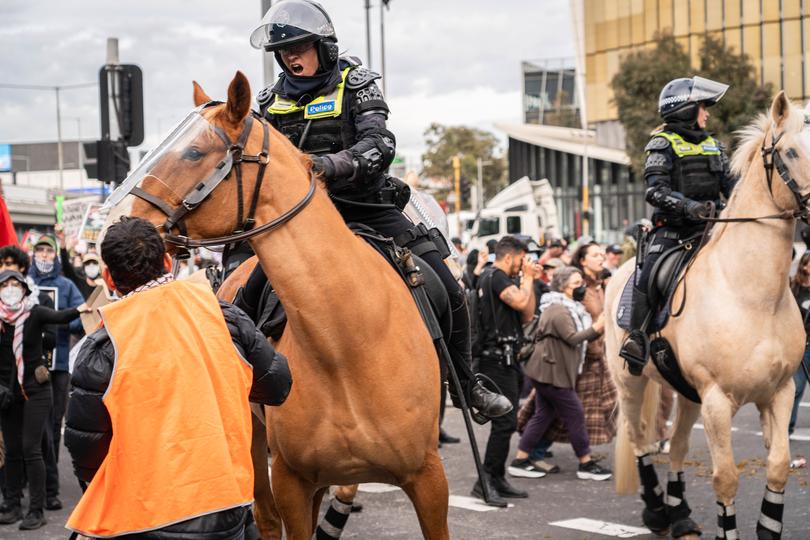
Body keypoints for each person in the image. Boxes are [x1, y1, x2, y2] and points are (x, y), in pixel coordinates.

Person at [244, 0, 510, 420]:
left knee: (450, 289)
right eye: (284, 51)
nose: (291, 57)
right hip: (304, 219)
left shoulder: (357, 83)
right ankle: (238, 379)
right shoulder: (269, 100)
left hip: (367, 206)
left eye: (300, 47)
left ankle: (466, 384)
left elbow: (380, 144)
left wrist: (328, 166)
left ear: (324, 47)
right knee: (245, 294)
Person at [64, 217, 292, 539]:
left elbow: (86, 448)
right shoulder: (223, 317)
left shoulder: (103, 345)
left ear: (108, 279)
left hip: (142, 518)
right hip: (227, 508)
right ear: (168, 263)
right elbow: (278, 385)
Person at [619, 76, 736, 374]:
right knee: (648, 276)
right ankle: (637, 339)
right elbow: (654, 191)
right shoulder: (662, 144)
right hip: (673, 232)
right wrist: (688, 206)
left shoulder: (714, 146)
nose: (706, 114)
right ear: (685, 109)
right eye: (702, 107)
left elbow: (732, 186)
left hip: (712, 230)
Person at [0, 270, 88, 530]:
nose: (11, 289)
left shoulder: (34, 313)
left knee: (31, 449)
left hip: (36, 392)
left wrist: (85, 307)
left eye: (16, 284)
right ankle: (13, 504)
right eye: (5, 284)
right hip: (7, 395)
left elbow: (62, 316)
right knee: (13, 452)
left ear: (25, 289)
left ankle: (36, 510)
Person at [510, 266, 612, 481]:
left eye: (581, 282)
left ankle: (521, 459)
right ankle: (585, 463)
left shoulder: (568, 306)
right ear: (563, 287)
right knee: (575, 415)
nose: (581, 287)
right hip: (552, 373)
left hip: (550, 371)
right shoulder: (558, 309)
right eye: (576, 284)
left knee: (543, 414)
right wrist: (598, 327)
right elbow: (572, 338)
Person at [470, 236, 538, 506]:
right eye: (522, 258)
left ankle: (496, 478)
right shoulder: (495, 275)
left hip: (506, 360)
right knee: (504, 422)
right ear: (509, 257)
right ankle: (485, 480)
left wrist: (526, 281)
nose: (525, 264)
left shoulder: (503, 278)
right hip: (494, 360)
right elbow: (522, 303)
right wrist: (529, 278)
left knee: (506, 423)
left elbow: (527, 314)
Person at [0, 246, 63, 511]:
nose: (6, 268)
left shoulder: (38, 302)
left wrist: (29, 329)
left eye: (12, 264)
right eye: (2, 264)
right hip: (8, 386)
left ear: (23, 268)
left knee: (40, 441)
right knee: (11, 446)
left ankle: (48, 494)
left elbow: (52, 335)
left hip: (35, 383)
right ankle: (12, 498)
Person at [28, 235, 84, 463]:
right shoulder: (24, 282)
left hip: (59, 363)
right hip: (28, 364)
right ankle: (25, 473)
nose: (44, 254)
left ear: (55, 255)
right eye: (40, 250)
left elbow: (82, 319)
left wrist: (57, 319)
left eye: (49, 251)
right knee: (27, 419)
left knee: (54, 419)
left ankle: (50, 472)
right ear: (33, 254)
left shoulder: (67, 285)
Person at [789, 251, 810, 436]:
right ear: (804, 266)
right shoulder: (794, 288)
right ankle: (787, 427)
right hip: (803, 346)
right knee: (797, 388)